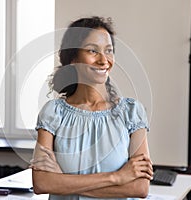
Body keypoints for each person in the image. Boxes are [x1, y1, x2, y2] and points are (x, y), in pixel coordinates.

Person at [30, 16, 153, 200]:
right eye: (93, 51)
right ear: (73, 59)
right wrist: (117, 177)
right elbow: (42, 183)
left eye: (109, 51)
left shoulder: (131, 113)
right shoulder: (53, 113)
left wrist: (63, 182)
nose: (104, 60)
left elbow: (139, 188)